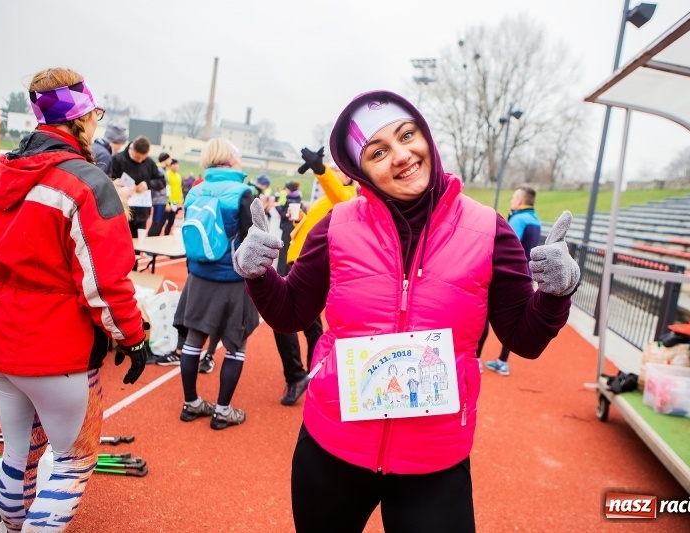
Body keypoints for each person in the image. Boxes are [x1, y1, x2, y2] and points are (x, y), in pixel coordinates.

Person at [234, 90, 580, 532]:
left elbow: (525, 340)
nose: (400, 156)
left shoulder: (489, 230)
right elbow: (292, 314)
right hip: (332, 449)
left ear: (426, 137)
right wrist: (258, 274)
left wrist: (556, 293)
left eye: (406, 135)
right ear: (361, 170)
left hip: (434, 463)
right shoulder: (336, 226)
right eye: (378, 151)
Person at [0, 67, 147, 532]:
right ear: (81, 118)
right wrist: (132, 338)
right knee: (72, 461)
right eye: (95, 114)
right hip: (57, 349)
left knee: (17, 454)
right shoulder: (86, 182)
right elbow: (105, 283)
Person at [173, 138, 258, 430]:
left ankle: (191, 403)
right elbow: (254, 240)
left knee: (192, 342)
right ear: (231, 158)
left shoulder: (195, 190)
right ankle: (222, 411)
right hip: (233, 280)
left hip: (198, 276)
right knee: (236, 344)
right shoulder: (244, 192)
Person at [271, 149, 357, 407]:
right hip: (297, 260)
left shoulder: (347, 196)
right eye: (330, 167)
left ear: (350, 177)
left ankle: (300, 375)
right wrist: (296, 224)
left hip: (308, 264)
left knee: (283, 317)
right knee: (310, 324)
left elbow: (338, 193)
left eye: (336, 169)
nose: (332, 170)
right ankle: (314, 371)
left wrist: (321, 169)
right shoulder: (330, 198)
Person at [483, 185, 543, 376]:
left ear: (519, 201)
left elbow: (506, 247)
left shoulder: (518, 219)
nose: (511, 201)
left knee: (482, 315)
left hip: (507, 275)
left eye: (513, 198)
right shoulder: (536, 221)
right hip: (526, 274)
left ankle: (475, 358)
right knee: (514, 319)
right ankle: (502, 361)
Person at [111, 135, 166, 238]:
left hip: (142, 213)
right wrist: (118, 185)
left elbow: (162, 181)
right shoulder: (117, 159)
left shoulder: (149, 162)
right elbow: (107, 180)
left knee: (139, 245)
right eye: (137, 157)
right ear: (131, 148)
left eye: (143, 158)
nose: (140, 160)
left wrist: (148, 184)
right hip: (122, 212)